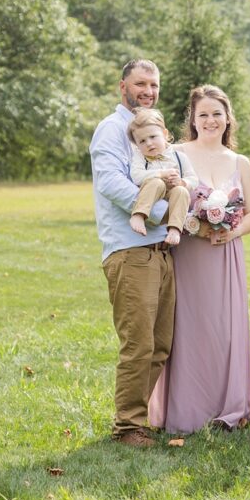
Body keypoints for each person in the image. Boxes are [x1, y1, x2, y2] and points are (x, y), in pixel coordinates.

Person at [149, 85, 250, 434]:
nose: (210, 120)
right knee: (187, 327)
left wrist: (232, 231)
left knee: (223, 330)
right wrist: (192, 223)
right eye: (203, 115)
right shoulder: (177, 153)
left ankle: (227, 405)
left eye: (217, 113)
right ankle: (187, 410)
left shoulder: (240, 162)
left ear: (228, 118)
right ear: (192, 120)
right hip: (187, 253)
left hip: (224, 254)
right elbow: (164, 202)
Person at [90, 58, 176, 448]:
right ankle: (127, 427)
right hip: (131, 249)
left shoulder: (153, 129)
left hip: (160, 250)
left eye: (154, 85)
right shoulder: (111, 131)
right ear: (121, 86)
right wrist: (161, 213)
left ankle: (138, 420)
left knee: (159, 344)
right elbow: (111, 183)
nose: (148, 90)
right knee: (138, 342)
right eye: (141, 83)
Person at [127, 108, 198, 247]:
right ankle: (138, 215)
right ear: (137, 145)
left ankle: (175, 229)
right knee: (157, 183)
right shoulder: (141, 158)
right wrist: (160, 173)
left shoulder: (179, 156)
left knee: (182, 192)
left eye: (153, 137)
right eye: (142, 141)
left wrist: (182, 182)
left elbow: (193, 179)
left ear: (164, 134)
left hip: (172, 194)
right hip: (152, 194)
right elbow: (136, 176)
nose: (148, 143)